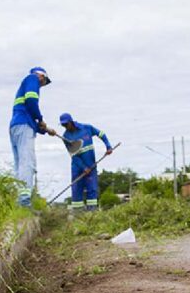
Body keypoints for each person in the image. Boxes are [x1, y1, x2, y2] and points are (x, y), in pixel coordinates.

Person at [9, 67, 56, 207]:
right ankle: (24, 199)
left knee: (19, 164)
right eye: (44, 82)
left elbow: (28, 114)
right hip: (24, 126)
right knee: (27, 162)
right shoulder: (32, 79)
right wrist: (40, 119)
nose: (42, 85)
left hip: (17, 126)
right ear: (42, 76)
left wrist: (45, 130)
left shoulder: (24, 87)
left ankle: (20, 197)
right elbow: (31, 101)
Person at [59, 112, 113, 211]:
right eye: (63, 125)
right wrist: (83, 168)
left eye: (66, 124)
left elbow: (101, 134)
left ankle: (92, 214)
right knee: (76, 190)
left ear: (71, 122)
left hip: (91, 165)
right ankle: (78, 215)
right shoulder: (65, 137)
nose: (65, 127)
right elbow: (74, 156)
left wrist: (108, 146)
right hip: (77, 167)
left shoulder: (87, 128)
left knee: (92, 189)